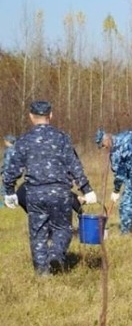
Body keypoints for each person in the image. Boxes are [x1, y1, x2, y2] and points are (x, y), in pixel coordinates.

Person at [3, 101, 97, 274]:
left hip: (34, 193)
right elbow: (74, 164)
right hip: (60, 192)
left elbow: (11, 169)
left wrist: (9, 192)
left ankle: (42, 273)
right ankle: (55, 254)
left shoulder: (24, 140)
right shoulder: (62, 138)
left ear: (31, 117)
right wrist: (86, 188)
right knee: (63, 229)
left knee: (38, 233)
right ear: (50, 115)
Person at [1, 134, 16, 203]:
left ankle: (7, 203)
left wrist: (3, 172)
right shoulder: (16, 149)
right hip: (14, 172)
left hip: (8, 172)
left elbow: (7, 163)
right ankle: (12, 202)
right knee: (11, 188)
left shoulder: (9, 151)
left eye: (5, 141)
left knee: (4, 189)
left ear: (8, 141)